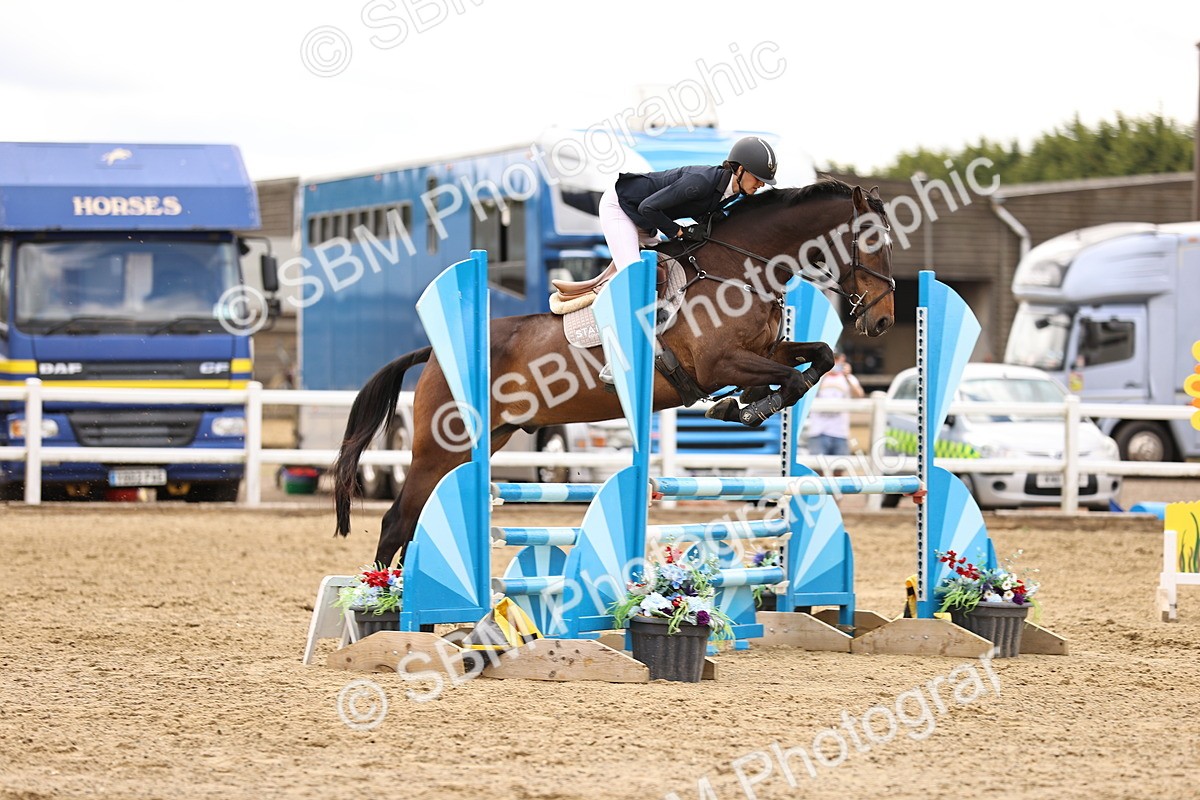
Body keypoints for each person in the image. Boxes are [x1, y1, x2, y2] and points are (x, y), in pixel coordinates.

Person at [597, 136, 779, 384]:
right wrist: (679, 232)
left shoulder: (732, 193)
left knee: (667, 269)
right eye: (757, 177)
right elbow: (648, 207)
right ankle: (617, 358)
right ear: (739, 170)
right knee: (635, 276)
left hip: (646, 220)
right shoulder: (701, 182)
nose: (761, 184)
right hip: (622, 208)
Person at [805, 352, 865, 459]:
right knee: (817, 467)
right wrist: (822, 373)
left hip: (840, 433)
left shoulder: (849, 379)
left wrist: (847, 376)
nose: (834, 362)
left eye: (837, 359)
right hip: (818, 432)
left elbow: (860, 395)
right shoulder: (817, 377)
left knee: (840, 467)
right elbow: (807, 394)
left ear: (843, 359)